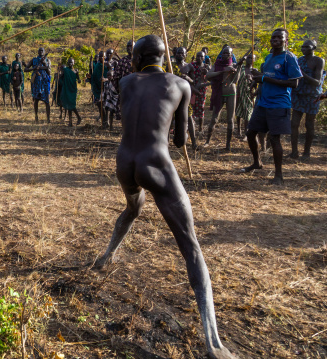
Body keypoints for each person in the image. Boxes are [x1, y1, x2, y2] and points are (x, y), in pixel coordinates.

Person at [93, 35, 236, 359]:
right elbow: (182, 140)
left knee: (134, 206)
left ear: (138, 57)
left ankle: (106, 255)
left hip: (124, 163)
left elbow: (128, 114)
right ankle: (214, 344)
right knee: (190, 245)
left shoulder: (127, 81)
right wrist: (177, 96)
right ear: (163, 56)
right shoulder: (181, 84)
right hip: (155, 163)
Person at [242, 28, 303, 185]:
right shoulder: (269, 57)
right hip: (263, 102)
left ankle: (278, 176)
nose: (275, 39)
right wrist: (257, 78)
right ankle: (257, 163)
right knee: (250, 133)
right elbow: (265, 78)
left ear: (286, 41)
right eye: (273, 37)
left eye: (279, 37)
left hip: (279, 103)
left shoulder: (289, 58)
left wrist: (264, 79)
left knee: (274, 138)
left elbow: (294, 83)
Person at [289, 40, 325, 159]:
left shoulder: (319, 61)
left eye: (306, 46)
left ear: (314, 47)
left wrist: (302, 73)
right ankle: (294, 152)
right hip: (299, 94)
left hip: (312, 96)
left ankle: (306, 152)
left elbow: (317, 82)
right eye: (302, 46)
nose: (303, 48)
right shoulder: (299, 60)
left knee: (309, 124)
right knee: (294, 124)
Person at [205, 46, 243, 151]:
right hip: (219, 93)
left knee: (230, 120)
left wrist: (237, 69)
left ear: (231, 55)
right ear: (221, 54)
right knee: (214, 118)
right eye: (224, 53)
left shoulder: (234, 65)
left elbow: (236, 80)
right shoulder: (217, 65)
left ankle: (228, 145)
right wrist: (222, 71)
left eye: (228, 53)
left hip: (231, 92)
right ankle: (207, 141)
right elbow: (208, 75)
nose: (226, 55)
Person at [174, 47, 198, 150]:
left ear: (185, 55)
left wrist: (188, 78)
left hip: (184, 96)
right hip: (173, 95)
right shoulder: (170, 66)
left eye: (182, 53)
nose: (179, 55)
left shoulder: (189, 67)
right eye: (178, 53)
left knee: (189, 118)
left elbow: (194, 82)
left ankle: (194, 142)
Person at [25, 47, 51, 123]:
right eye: (39, 50)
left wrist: (44, 63)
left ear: (44, 51)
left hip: (45, 82)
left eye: (42, 50)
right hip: (36, 82)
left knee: (47, 101)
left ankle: (48, 119)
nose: (41, 51)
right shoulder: (34, 60)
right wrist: (34, 68)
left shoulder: (47, 60)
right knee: (36, 100)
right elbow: (25, 69)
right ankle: (36, 118)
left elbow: (49, 72)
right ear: (37, 51)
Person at [235, 55, 257, 138]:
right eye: (249, 58)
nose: (250, 59)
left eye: (252, 58)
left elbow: (256, 85)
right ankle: (238, 131)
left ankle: (246, 133)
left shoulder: (254, 71)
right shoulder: (241, 69)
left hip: (249, 94)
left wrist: (251, 80)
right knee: (239, 113)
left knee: (248, 114)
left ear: (254, 60)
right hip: (240, 93)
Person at [113, 41, 134, 121]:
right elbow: (116, 76)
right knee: (124, 110)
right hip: (125, 90)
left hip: (137, 90)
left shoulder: (139, 61)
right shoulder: (122, 61)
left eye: (131, 46)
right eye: (128, 46)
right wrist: (119, 88)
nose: (129, 48)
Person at [191, 51, 211, 133]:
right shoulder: (192, 65)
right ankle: (191, 126)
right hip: (192, 89)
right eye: (198, 56)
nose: (199, 58)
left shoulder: (206, 67)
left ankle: (200, 128)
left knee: (201, 108)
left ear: (204, 57)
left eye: (201, 56)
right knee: (191, 108)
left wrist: (207, 73)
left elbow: (210, 79)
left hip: (202, 91)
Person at [60, 57, 82, 127]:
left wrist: (78, 78)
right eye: (69, 62)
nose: (70, 63)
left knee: (72, 105)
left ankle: (78, 117)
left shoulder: (76, 71)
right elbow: (61, 77)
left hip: (72, 89)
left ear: (74, 63)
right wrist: (60, 72)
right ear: (67, 63)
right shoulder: (65, 70)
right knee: (68, 106)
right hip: (67, 89)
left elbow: (79, 80)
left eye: (71, 62)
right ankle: (70, 122)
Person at [91, 51, 108, 123]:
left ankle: (106, 121)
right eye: (100, 56)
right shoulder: (97, 66)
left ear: (105, 57)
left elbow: (112, 76)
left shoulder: (108, 65)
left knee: (106, 106)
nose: (101, 58)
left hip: (107, 89)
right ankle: (103, 120)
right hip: (98, 89)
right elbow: (94, 77)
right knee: (99, 104)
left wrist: (105, 79)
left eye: (103, 56)